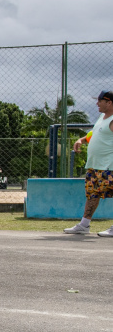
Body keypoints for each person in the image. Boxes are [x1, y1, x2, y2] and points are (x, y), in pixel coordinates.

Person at [64, 90, 113, 236]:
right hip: (94, 165)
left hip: (109, 166)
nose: (97, 103)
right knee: (92, 195)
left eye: (99, 100)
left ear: (109, 102)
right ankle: (84, 225)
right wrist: (82, 140)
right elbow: (94, 133)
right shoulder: (102, 118)